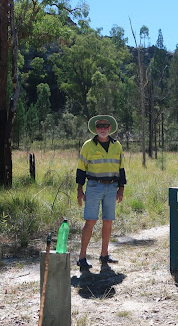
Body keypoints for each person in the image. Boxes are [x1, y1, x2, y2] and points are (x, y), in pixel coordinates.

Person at [76, 114, 126, 271]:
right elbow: (81, 169)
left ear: (110, 128)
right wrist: (79, 190)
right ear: (95, 129)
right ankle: (82, 257)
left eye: (106, 126)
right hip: (93, 187)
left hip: (111, 188)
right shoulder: (88, 146)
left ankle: (104, 255)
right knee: (90, 221)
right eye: (100, 126)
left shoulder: (117, 145)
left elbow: (121, 168)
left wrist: (121, 189)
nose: (103, 129)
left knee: (108, 221)